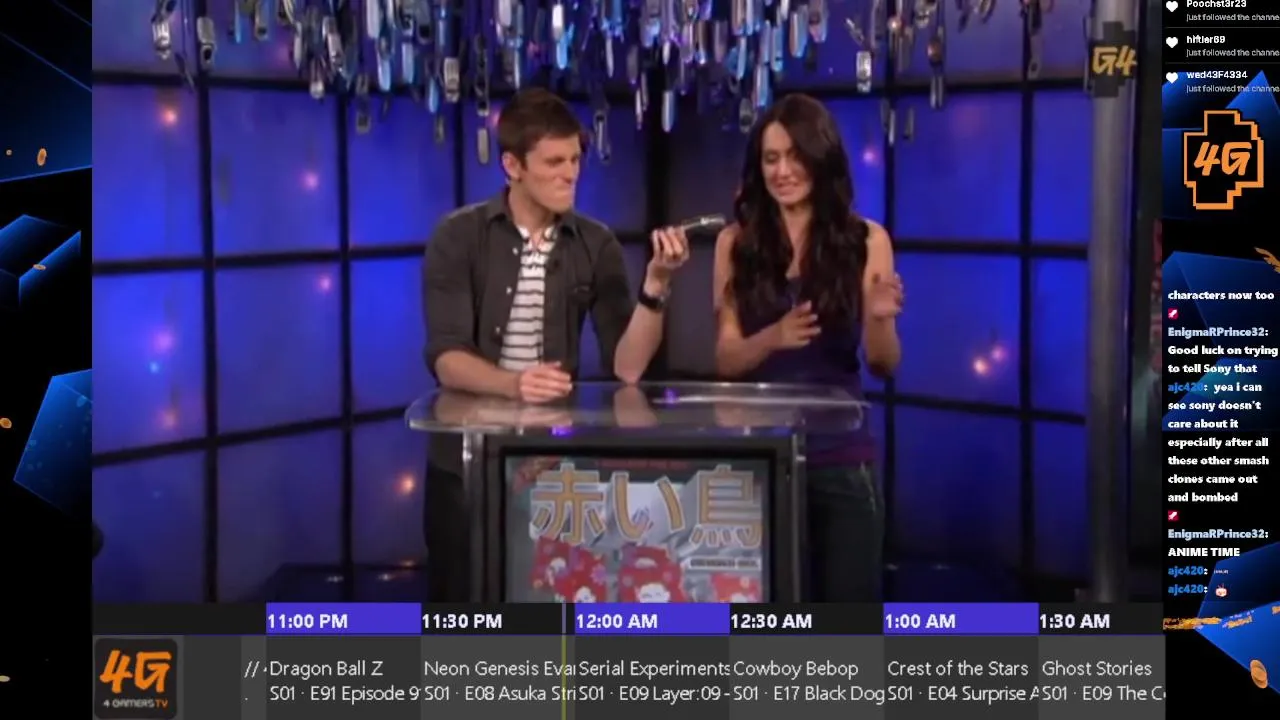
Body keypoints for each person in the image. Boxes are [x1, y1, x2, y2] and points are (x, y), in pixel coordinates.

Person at [421, 88, 689, 600]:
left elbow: (628, 367)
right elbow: (447, 358)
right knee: (462, 609)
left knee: (545, 603)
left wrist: (656, 285)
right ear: (512, 166)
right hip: (464, 462)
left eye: (574, 160)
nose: (570, 174)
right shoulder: (458, 236)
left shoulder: (596, 243)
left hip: (552, 468)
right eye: (554, 162)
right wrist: (514, 384)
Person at [712, 93, 903, 602]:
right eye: (771, 158)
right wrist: (772, 337)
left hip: (841, 459)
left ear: (821, 157)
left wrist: (879, 318)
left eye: (795, 156)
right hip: (759, 459)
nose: (782, 171)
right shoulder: (735, 244)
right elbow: (726, 360)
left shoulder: (867, 240)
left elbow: (883, 363)